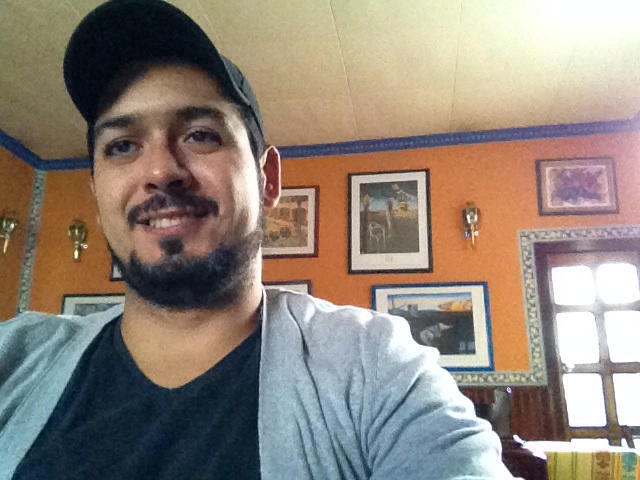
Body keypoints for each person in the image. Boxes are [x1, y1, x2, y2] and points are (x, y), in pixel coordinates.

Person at [0, 1, 515, 478]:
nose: (159, 170)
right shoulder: (18, 359)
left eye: (201, 135)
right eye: (122, 145)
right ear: (96, 191)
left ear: (268, 180)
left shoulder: (377, 367)